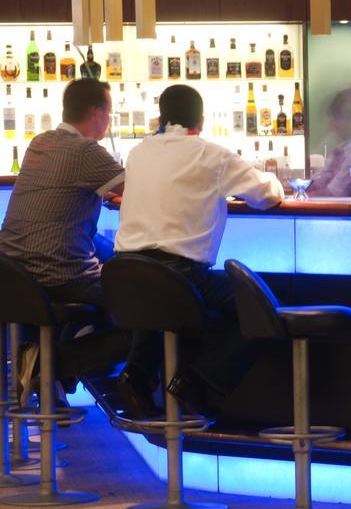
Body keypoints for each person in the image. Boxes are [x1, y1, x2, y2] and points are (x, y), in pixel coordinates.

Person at [114, 84, 285, 415]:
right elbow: (267, 194)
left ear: (160, 118)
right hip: (178, 276)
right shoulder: (211, 155)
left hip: (127, 277)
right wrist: (275, 180)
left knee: (158, 299)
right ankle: (196, 380)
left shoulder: (137, 153)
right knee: (263, 311)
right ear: (201, 121)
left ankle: (135, 376)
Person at [0, 78, 133, 404]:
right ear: (97, 112)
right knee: (144, 309)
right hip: (56, 271)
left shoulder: (40, 142)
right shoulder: (87, 150)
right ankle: (53, 366)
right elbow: (138, 190)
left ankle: (47, 359)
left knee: (109, 254)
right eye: (110, 112)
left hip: (11, 272)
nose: (110, 120)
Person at [308, 82, 351, 196]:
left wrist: (299, 196)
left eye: (337, 117)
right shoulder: (341, 150)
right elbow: (318, 183)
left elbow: (333, 194)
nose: (332, 125)